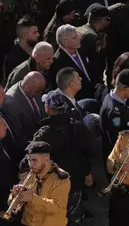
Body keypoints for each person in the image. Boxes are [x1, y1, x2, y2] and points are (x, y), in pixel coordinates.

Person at [32, 90, 96, 225]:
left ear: (47, 108)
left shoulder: (43, 134)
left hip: (51, 186)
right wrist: (87, 173)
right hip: (75, 181)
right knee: (73, 216)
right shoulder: (77, 127)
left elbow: (34, 162)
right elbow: (87, 151)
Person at [9, 141, 70, 225]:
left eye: (34, 160)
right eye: (29, 160)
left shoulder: (61, 179)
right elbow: (15, 204)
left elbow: (57, 208)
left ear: (46, 159)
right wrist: (14, 196)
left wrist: (33, 199)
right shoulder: (29, 174)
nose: (31, 164)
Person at [99, 69, 129, 158]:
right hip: (117, 157)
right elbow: (117, 139)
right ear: (125, 88)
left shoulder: (119, 99)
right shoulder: (113, 110)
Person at [2, 72, 47, 150]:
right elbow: (19, 135)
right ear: (26, 87)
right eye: (37, 91)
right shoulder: (12, 104)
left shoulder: (34, 88)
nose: (40, 93)